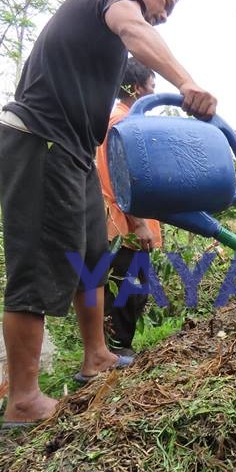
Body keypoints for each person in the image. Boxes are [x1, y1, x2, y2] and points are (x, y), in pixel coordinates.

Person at [0, 0, 217, 425]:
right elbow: (135, 28)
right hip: (40, 139)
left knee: (92, 261)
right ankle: (24, 399)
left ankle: (96, 356)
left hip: (73, 153)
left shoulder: (109, 33)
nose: (161, 15)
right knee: (36, 265)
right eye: (165, 3)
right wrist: (187, 82)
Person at [94, 58, 161, 357]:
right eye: (151, 88)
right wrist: (138, 223)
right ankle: (117, 353)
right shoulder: (122, 122)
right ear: (136, 88)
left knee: (129, 290)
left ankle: (116, 349)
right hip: (124, 226)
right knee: (126, 290)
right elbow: (118, 179)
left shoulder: (122, 119)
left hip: (126, 224)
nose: (153, 95)